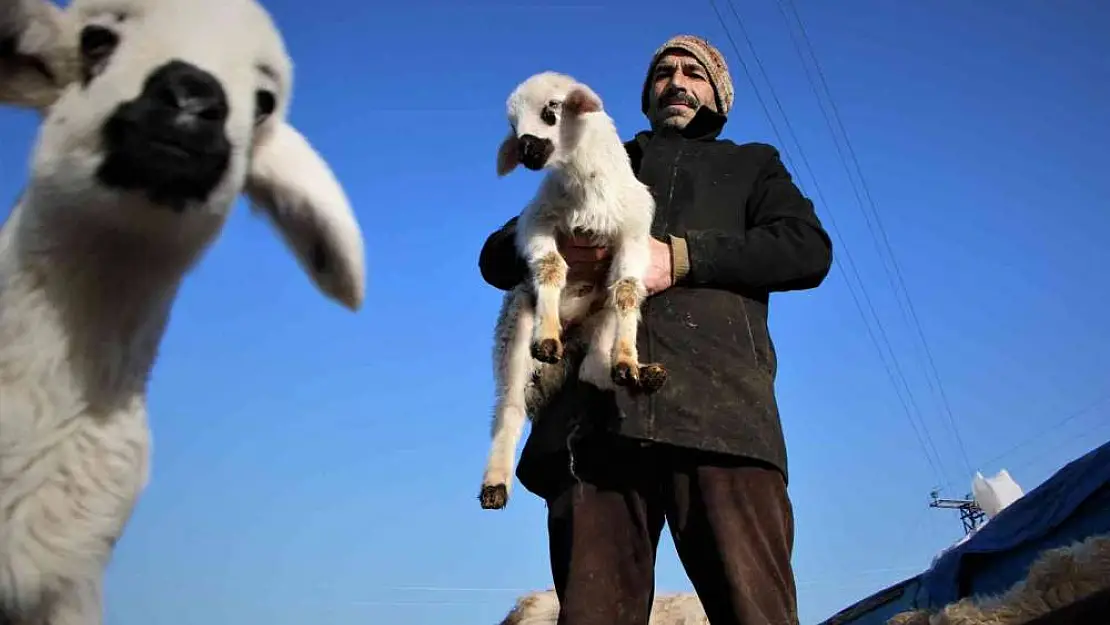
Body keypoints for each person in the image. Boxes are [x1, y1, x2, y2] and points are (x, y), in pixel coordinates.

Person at [478, 35, 833, 625]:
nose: (676, 81)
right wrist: (565, 248)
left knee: (757, 614)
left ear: (717, 96)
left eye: (693, 73)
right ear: (643, 98)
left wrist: (682, 258)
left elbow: (806, 250)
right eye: (663, 72)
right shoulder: (596, 159)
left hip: (722, 421)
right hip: (593, 434)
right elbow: (495, 257)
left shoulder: (752, 166)